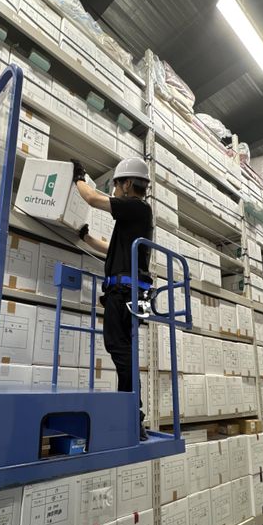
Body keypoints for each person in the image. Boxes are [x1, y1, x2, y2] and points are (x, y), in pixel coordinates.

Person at [72, 157, 152, 440]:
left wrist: (78, 176)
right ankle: (130, 414)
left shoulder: (137, 206)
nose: (115, 191)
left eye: (116, 185)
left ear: (128, 184)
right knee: (122, 350)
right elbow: (113, 249)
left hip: (125, 294)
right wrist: (87, 239)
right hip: (127, 293)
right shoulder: (135, 219)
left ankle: (132, 416)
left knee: (119, 349)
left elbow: (93, 198)